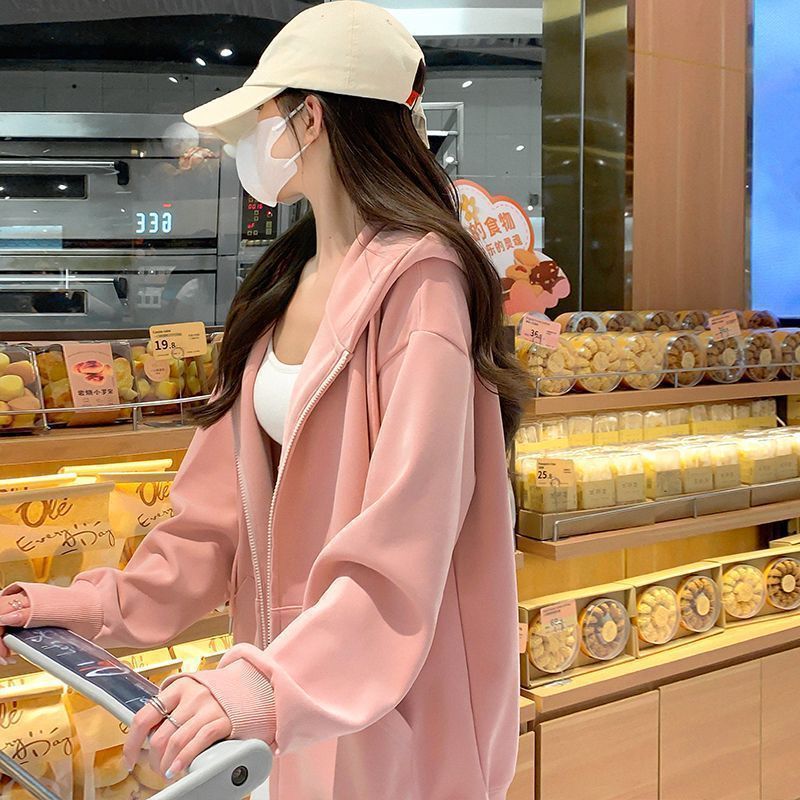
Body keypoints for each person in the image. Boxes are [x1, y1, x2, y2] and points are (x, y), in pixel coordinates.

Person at [0, 3, 530, 797]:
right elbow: (210, 526)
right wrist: (77, 608)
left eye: (262, 116)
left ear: (309, 118)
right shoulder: (286, 280)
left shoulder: (424, 283)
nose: (247, 141)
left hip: (383, 712)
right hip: (287, 703)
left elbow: (405, 543)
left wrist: (258, 687)